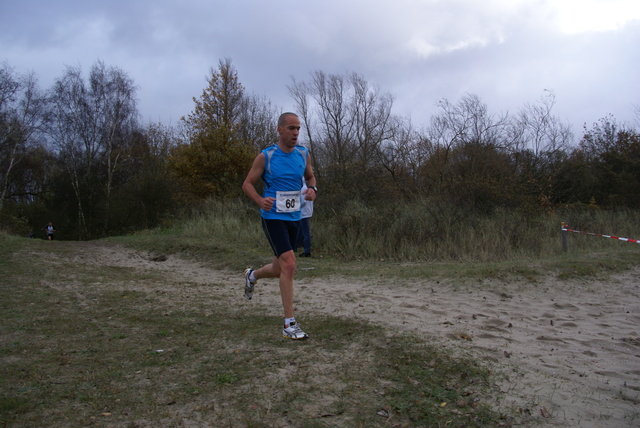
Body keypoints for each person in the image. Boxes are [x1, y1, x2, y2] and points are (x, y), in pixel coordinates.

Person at [241, 112, 318, 340]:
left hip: (295, 217)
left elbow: (311, 178)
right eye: (291, 128)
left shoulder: (304, 154)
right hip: (273, 216)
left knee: (279, 269)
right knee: (291, 265)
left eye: (298, 128)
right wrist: (259, 200)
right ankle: (289, 324)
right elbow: (247, 184)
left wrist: (313, 189)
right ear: (280, 130)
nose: (295, 133)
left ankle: (252, 276)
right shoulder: (266, 156)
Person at [298, 181, 314, 257]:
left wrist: (296, 207)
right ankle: (297, 246)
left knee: (305, 233)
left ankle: (307, 251)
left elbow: (302, 201)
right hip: (307, 212)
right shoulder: (309, 189)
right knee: (301, 231)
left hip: (303, 213)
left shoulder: (303, 188)